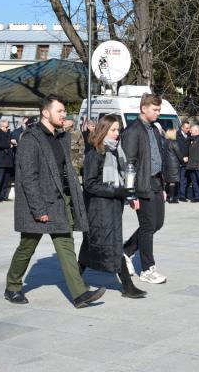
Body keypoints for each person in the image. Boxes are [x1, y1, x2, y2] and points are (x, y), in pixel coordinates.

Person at [4, 94, 106, 308]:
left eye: (64, 111)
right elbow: (28, 177)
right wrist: (38, 209)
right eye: (59, 111)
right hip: (40, 204)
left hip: (60, 202)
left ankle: (79, 295)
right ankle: (12, 286)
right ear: (45, 112)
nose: (64, 115)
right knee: (27, 246)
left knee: (66, 245)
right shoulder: (31, 139)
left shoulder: (59, 138)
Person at [78, 115, 146, 299]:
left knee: (90, 245)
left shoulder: (116, 151)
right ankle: (127, 285)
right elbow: (90, 184)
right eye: (114, 130)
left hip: (113, 206)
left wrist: (127, 193)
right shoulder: (95, 152)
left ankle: (75, 277)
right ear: (104, 130)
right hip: (98, 208)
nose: (117, 133)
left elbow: (122, 177)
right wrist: (116, 191)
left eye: (118, 130)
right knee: (113, 244)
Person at [120, 94, 168, 284]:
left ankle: (127, 250)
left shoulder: (154, 129)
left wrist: (162, 185)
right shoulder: (133, 130)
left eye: (159, 110)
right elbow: (128, 163)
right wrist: (131, 193)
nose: (157, 113)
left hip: (156, 182)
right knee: (148, 226)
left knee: (157, 223)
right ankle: (147, 269)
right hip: (142, 184)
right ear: (143, 109)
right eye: (155, 110)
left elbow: (157, 156)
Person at [0, 119, 15, 202]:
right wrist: (9, 144)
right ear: (1, 126)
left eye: (8, 126)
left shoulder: (9, 133)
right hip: (0, 160)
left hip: (8, 160)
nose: (8, 127)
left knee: (6, 180)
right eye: (6, 126)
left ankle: (4, 195)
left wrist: (13, 142)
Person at [163, 128, 182, 203]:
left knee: (167, 181)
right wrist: (183, 160)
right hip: (173, 165)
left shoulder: (165, 142)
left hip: (166, 164)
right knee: (172, 182)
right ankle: (171, 198)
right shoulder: (174, 143)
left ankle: (166, 197)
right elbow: (179, 154)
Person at [176, 120, 191, 201]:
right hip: (178, 160)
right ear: (182, 128)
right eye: (186, 128)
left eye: (189, 128)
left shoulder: (189, 135)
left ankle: (182, 196)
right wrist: (182, 158)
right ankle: (175, 194)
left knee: (184, 179)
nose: (188, 129)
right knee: (177, 179)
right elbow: (176, 148)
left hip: (187, 161)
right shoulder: (176, 135)